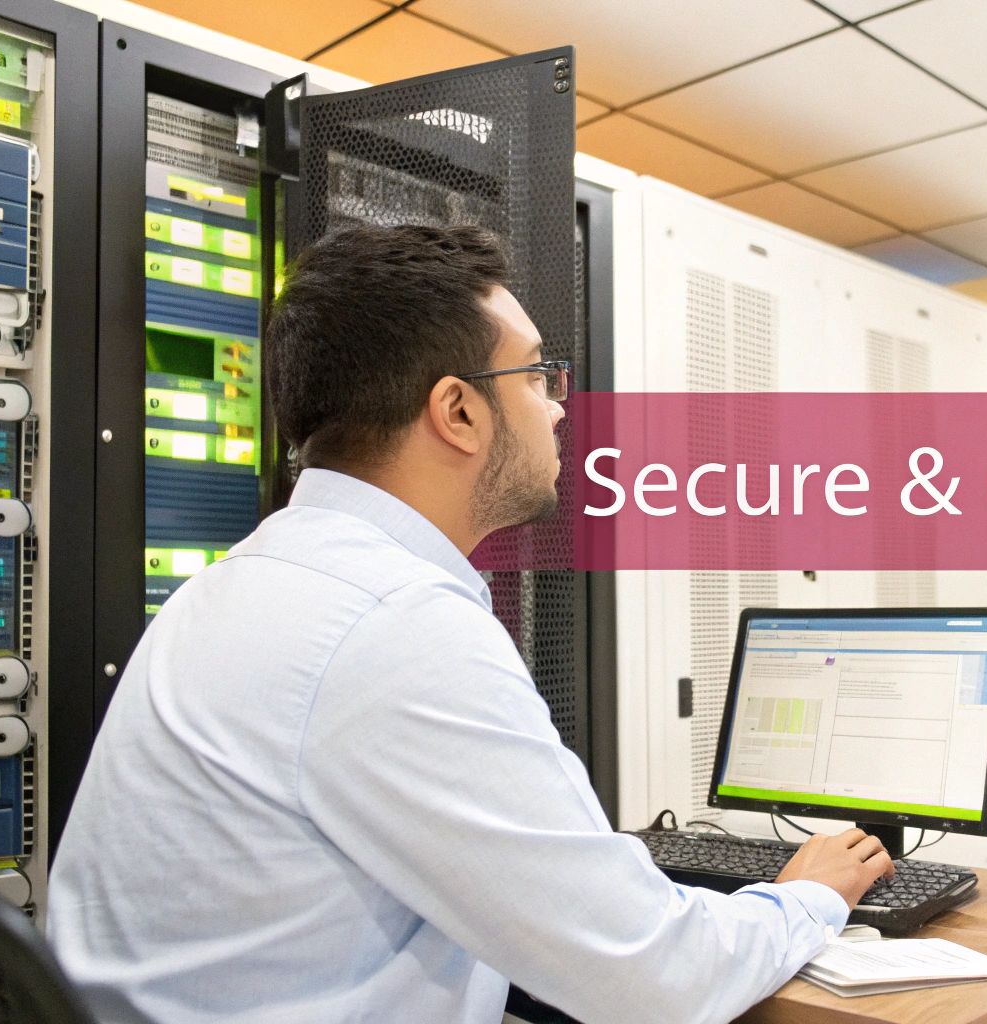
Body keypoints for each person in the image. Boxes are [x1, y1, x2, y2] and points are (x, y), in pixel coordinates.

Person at [47, 224, 894, 1023]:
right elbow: (655, 979)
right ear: (457, 412)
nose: (559, 407)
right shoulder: (394, 625)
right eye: (536, 376)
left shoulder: (231, 587)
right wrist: (810, 893)